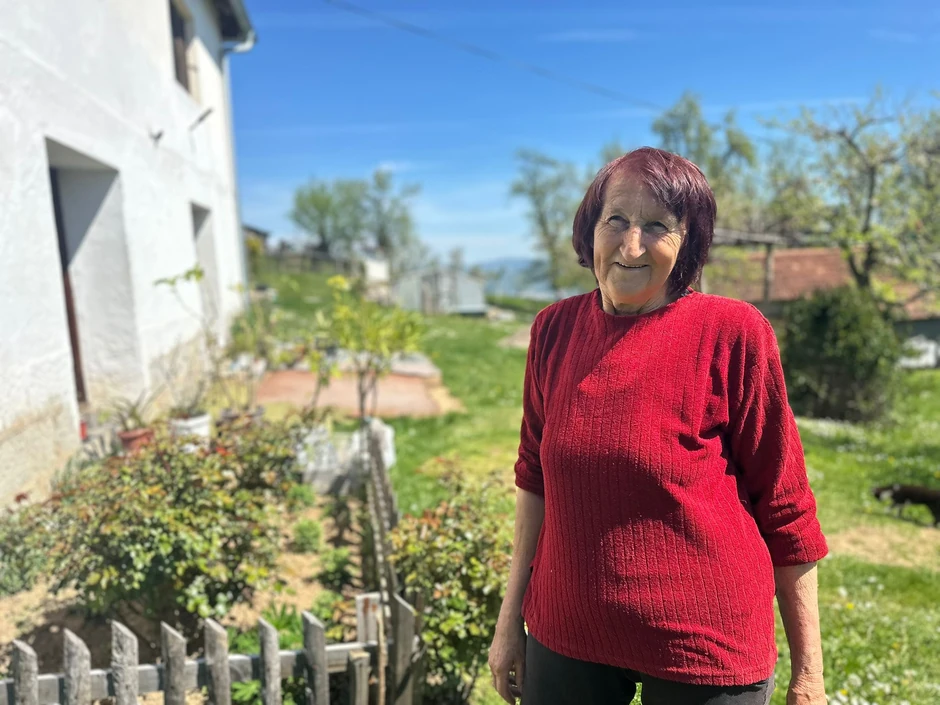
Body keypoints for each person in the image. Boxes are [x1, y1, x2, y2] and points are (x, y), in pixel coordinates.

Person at [488, 147, 828, 705]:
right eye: (616, 220)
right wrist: (508, 625)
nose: (631, 246)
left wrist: (809, 676)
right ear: (589, 229)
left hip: (705, 645)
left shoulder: (733, 333)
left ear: (687, 242)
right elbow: (533, 479)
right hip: (567, 631)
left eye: (656, 227)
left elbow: (785, 505)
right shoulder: (553, 330)